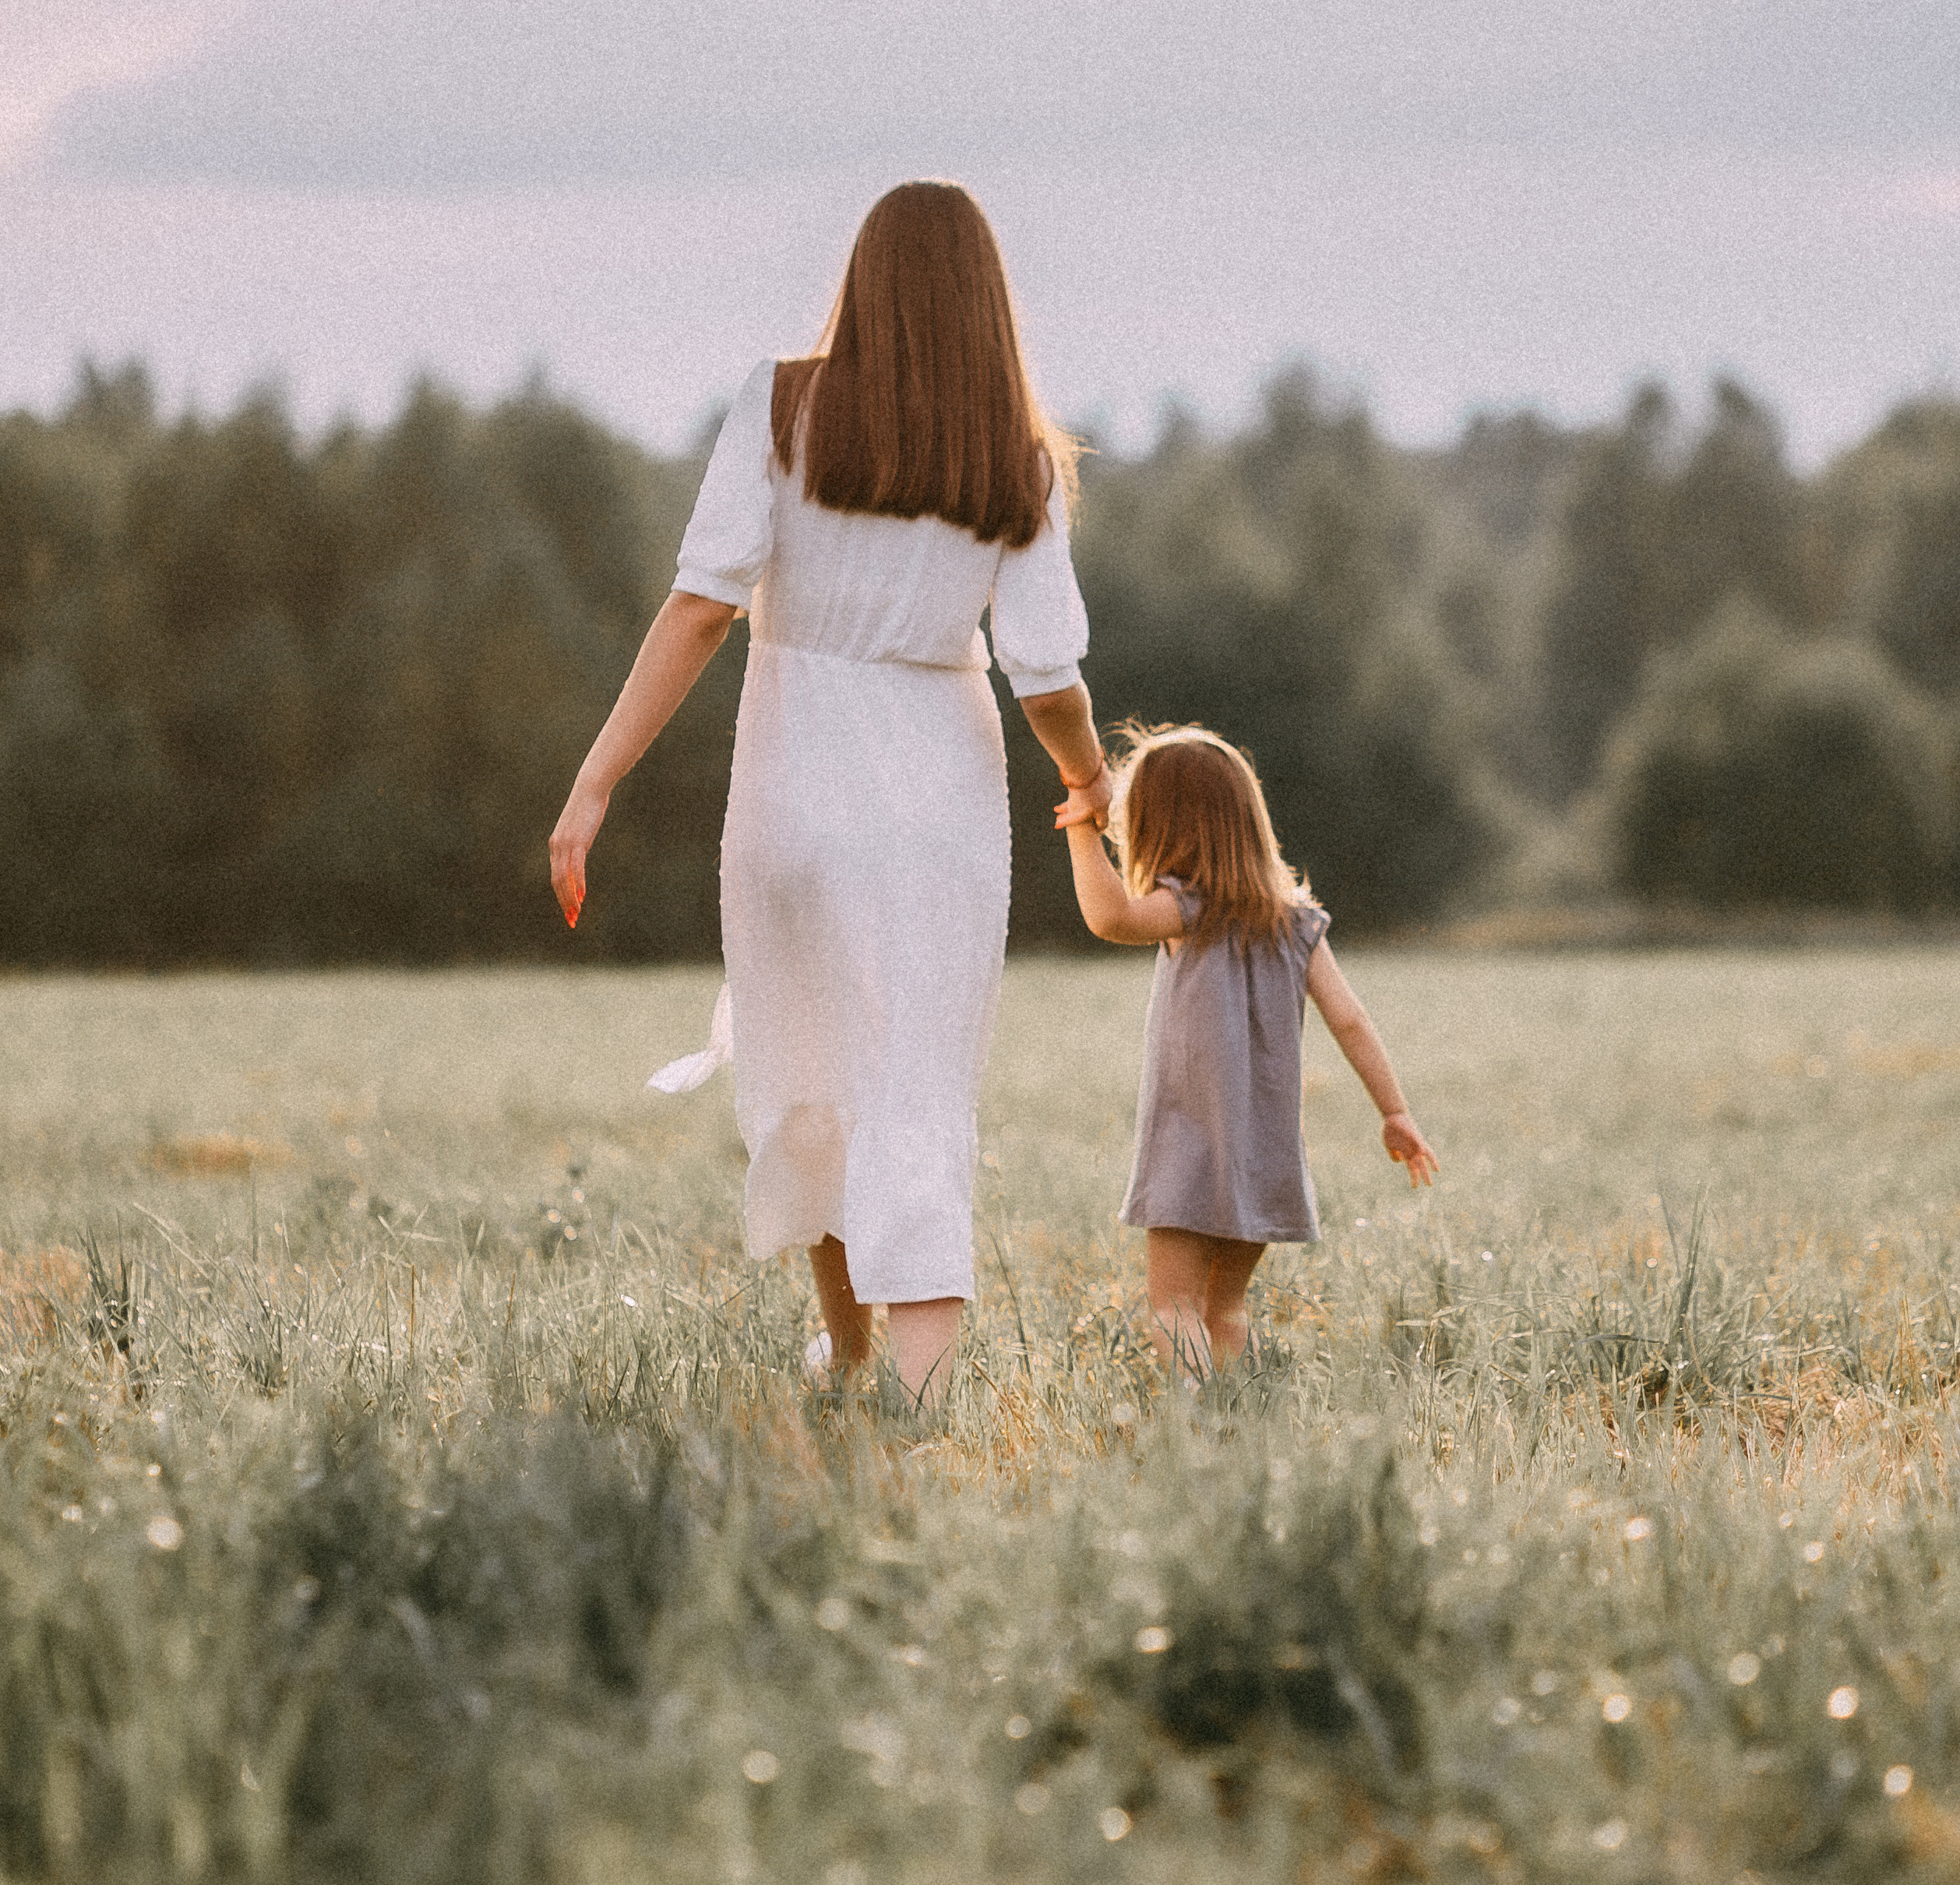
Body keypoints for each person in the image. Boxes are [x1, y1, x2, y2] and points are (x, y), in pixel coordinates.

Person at [548, 181, 1112, 1406]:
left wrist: (596, 780)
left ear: (860, 280)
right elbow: (1046, 671)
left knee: (810, 1062)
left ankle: (849, 1353)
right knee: (915, 1077)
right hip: (937, 790)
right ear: (985, 301)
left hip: (795, 777)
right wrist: (1089, 781)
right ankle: (917, 1391)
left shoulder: (781, 403)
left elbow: (701, 608)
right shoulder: (1014, 456)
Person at [1055, 724, 1439, 1375]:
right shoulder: (1296, 924)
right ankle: (1237, 1417)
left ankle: (1204, 1427)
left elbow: (1109, 916)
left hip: (1190, 1147)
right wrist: (1394, 1111)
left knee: (1171, 1308)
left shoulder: (1185, 909)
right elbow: (1350, 1019)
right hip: (1264, 1155)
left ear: (1161, 827)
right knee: (1223, 1311)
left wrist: (1081, 828)